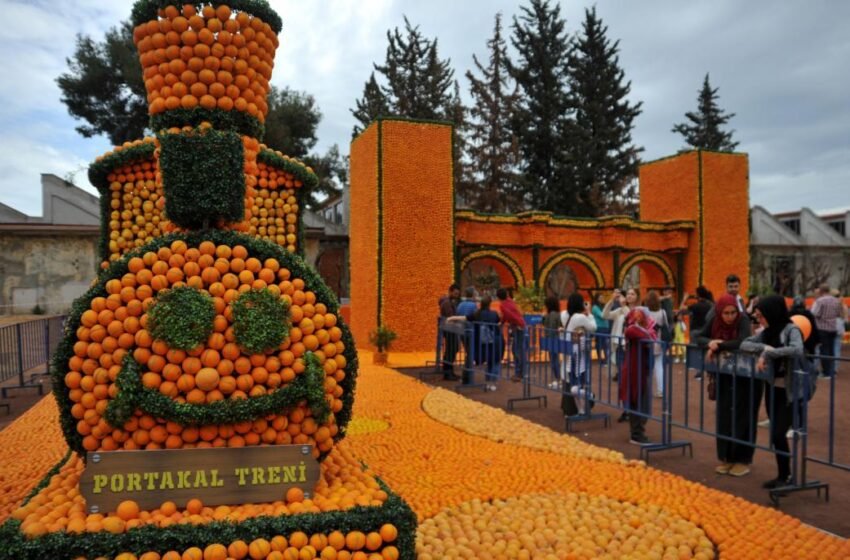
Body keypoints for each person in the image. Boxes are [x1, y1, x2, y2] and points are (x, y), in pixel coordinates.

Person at [740, 295, 805, 490]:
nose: (760, 320)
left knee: (778, 433)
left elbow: (797, 350)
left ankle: (786, 475)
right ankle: (783, 475)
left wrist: (769, 353)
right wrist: (763, 347)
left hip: (788, 390)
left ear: (772, 313)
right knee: (776, 435)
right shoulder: (767, 332)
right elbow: (745, 344)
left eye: (762, 316)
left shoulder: (791, 329)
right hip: (772, 389)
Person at [694, 294, 758, 477]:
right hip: (724, 375)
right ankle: (726, 458)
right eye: (726, 313)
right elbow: (699, 337)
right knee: (724, 415)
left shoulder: (743, 320)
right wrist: (710, 342)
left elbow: (742, 341)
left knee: (742, 416)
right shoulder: (714, 320)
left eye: (732, 312)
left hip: (746, 376)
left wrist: (719, 346)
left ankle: (742, 459)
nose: (730, 317)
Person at [447, 296, 503, 391]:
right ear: (489, 304)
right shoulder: (494, 314)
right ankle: (492, 383)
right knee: (494, 362)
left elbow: (465, 318)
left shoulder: (477, 314)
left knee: (484, 360)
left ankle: (486, 382)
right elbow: (499, 322)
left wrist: (451, 318)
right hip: (493, 341)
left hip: (480, 342)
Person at [620, 308, 657, 445]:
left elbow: (652, 338)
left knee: (643, 401)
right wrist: (647, 332)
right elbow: (643, 335)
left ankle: (638, 431)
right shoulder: (633, 329)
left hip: (643, 369)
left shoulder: (646, 329)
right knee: (637, 400)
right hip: (634, 370)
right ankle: (636, 434)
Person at [563, 293, 597, 394]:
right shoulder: (579, 317)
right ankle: (588, 398)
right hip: (579, 352)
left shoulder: (567, 315)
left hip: (571, 351)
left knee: (574, 380)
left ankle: (580, 408)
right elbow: (593, 328)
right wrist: (589, 313)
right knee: (581, 381)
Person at [681, 286, 714, 378]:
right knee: (705, 349)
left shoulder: (696, 306)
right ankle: (706, 369)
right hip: (707, 330)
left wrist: (684, 299)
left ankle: (699, 369)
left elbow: (682, 309)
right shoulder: (710, 304)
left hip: (696, 330)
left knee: (697, 350)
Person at [812, 284, 842, 378]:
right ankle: (832, 371)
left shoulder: (820, 301)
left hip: (822, 328)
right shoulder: (836, 301)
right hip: (833, 328)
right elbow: (838, 313)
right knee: (831, 350)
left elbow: (814, 313)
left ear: (821, 291)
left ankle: (826, 373)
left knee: (824, 350)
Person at [497, 288, 526, 382]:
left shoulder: (503, 305)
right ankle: (520, 372)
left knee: (517, 350)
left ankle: (520, 373)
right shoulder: (510, 301)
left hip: (518, 327)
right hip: (519, 325)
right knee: (517, 349)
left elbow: (507, 315)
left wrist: (501, 322)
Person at [645, 290, 670, 397]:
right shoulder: (663, 312)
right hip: (659, 340)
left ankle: (644, 389)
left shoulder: (645, 312)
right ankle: (661, 389)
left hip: (646, 340)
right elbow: (666, 325)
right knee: (659, 365)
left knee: (645, 366)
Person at [438, 284, 462, 380]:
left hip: (451, 329)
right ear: (451, 291)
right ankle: (448, 372)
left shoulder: (449, 302)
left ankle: (449, 371)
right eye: (455, 293)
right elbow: (450, 316)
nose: (456, 295)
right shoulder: (447, 303)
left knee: (452, 349)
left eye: (458, 294)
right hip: (450, 329)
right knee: (451, 349)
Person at [542, 296, 562, 388]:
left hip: (552, 338)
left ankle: (558, 379)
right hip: (553, 338)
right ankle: (557, 379)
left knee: (554, 360)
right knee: (554, 359)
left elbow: (550, 326)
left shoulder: (552, 314)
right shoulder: (555, 314)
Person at [591, 293, 610, 364]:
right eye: (600, 298)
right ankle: (600, 360)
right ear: (596, 299)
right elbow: (602, 316)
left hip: (606, 327)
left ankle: (606, 359)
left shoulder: (604, 307)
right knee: (599, 344)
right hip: (599, 328)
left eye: (603, 298)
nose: (602, 299)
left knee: (605, 344)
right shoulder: (595, 307)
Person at [832, 289, 847, 367]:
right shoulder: (842, 304)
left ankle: (831, 367)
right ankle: (835, 367)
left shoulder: (832, 303)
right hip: (840, 326)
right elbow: (846, 319)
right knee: (837, 347)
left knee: (831, 347)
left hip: (832, 325)